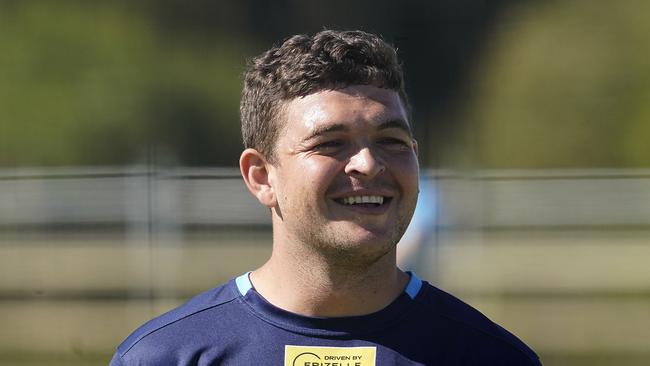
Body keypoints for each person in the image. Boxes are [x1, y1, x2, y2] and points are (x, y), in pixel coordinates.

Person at [110, 29, 542, 366]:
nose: (368, 165)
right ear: (261, 177)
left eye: (391, 140)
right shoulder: (165, 357)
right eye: (331, 144)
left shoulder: (490, 357)